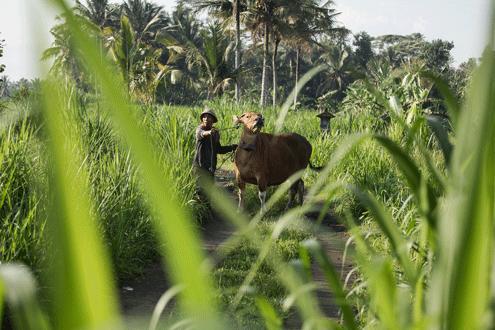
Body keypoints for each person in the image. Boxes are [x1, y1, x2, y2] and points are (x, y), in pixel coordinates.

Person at [193, 107, 237, 183]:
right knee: (200, 190)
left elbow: (219, 149)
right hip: (200, 166)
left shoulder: (215, 133)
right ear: (202, 119)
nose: (206, 118)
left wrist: (232, 147)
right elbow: (202, 133)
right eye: (204, 117)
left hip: (211, 166)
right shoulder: (199, 129)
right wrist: (209, 132)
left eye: (209, 117)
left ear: (213, 120)